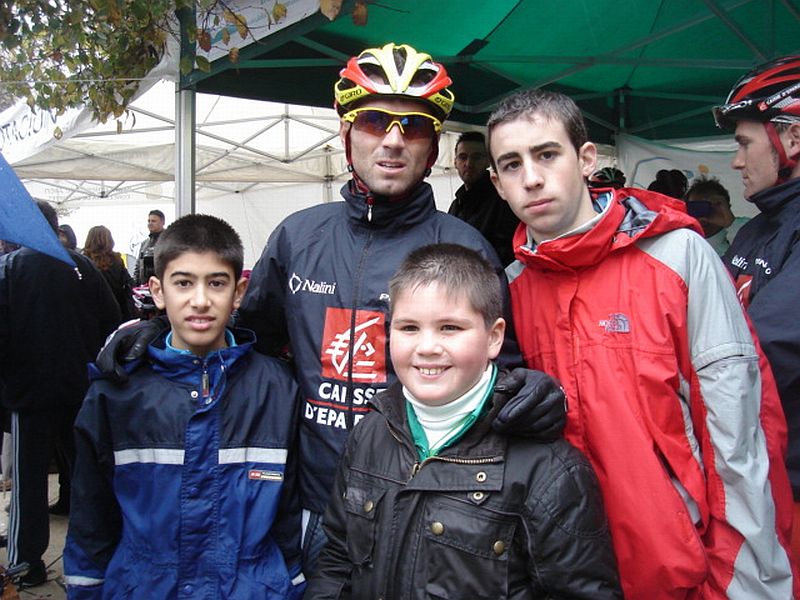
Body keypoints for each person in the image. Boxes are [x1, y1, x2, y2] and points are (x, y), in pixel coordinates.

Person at [94, 43, 564, 578]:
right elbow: (244, 340)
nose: (393, 140)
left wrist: (529, 393)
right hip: (315, 503)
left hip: (429, 507)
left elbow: (500, 371)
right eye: (374, 121)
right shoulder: (298, 236)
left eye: (413, 126)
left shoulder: (465, 247)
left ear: (433, 147)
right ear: (346, 134)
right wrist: (160, 335)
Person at [486, 88, 797, 598]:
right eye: (512, 164)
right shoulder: (512, 289)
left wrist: (742, 585)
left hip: (683, 577)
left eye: (547, 154)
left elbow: (740, 439)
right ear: (497, 184)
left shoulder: (678, 257)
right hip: (568, 577)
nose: (532, 178)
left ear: (587, 159)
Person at [305, 243, 621, 599]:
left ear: (494, 337)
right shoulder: (370, 432)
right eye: (409, 327)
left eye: (450, 327)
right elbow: (337, 558)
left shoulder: (549, 470)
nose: (427, 347)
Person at [63, 214, 306, 599]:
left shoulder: (277, 389)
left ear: (239, 292)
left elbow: (289, 513)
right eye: (183, 283)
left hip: (253, 587)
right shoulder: (117, 393)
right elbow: (91, 512)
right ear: (158, 291)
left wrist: (292, 582)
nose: (200, 300)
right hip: (145, 587)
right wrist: (86, 586)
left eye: (217, 283)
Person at [0, 200, 121, 589]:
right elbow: (113, 322)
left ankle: (25, 562)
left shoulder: (10, 268)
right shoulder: (81, 266)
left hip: (29, 393)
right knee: (87, 475)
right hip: (79, 388)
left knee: (29, 481)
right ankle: (95, 557)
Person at [712, 55, 800, 561]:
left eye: (744, 144)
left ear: (793, 138)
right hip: (754, 473)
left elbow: (763, 352)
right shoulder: (757, 227)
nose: (737, 162)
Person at [448, 131, 519, 266]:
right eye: (463, 157)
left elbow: (508, 252)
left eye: (476, 157)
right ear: (455, 162)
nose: (468, 163)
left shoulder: (502, 199)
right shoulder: (456, 204)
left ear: (488, 161)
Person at [83, 225, 136, 322]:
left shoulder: (84, 262)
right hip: (117, 311)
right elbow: (129, 282)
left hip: (92, 313)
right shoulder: (117, 260)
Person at [684, 176, 748, 255]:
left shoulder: (747, 227)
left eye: (712, 206)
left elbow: (754, 247)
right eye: (696, 207)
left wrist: (731, 224)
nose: (704, 212)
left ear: (727, 206)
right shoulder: (683, 240)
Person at [133, 209, 165, 285]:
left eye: (153, 221)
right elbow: (138, 266)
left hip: (162, 284)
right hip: (144, 286)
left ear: (162, 222)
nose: (150, 223)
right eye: (149, 221)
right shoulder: (144, 244)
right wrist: (135, 284)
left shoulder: (168, 241)